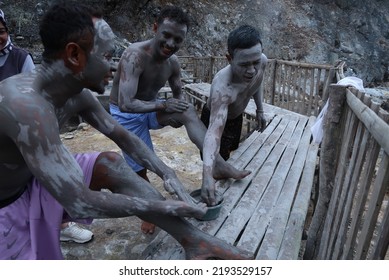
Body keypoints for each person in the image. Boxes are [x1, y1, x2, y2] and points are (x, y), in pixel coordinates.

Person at [0, 1, 253, 260]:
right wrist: (164, 206)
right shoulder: (26, 108)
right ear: (75, 56)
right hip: (6, 206)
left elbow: (124, 137)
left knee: (111, 163)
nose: (113, 67)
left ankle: (195, 241)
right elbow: (79, 200)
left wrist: (168, 173)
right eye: (108, 57)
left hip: (33, 178)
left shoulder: (78, 95)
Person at [109, 6, 251, 233]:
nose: (170, 43)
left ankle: (218, 165)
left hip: (150, 107)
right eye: (166, 35)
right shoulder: (134, 56)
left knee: (187, 111)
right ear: (155, 28)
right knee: (141, 167)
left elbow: (178, 93)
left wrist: (178, 109)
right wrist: (164, 105)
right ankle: (150, 211)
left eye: (178, 39)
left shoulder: (172, 63)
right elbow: (126, 103)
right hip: (125, 114)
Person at [0, 8, 94, 244]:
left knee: (48, 169)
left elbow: (37, 100)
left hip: (28, 135)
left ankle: (60, 223)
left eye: (0, 31)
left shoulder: (20, 58)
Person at [201, 25, 268, 206]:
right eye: (244, 65)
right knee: (215, 164)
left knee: (231, 154)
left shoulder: (262, 61)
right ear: (229, 59)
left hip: (236, 117)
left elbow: (257, 81)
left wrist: (260, 110)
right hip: (214, 118)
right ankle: (213, 189)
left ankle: (223, 181)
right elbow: (213, 133)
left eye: (255, 62)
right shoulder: (223, 88)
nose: (252, 70)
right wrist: (205, 175)